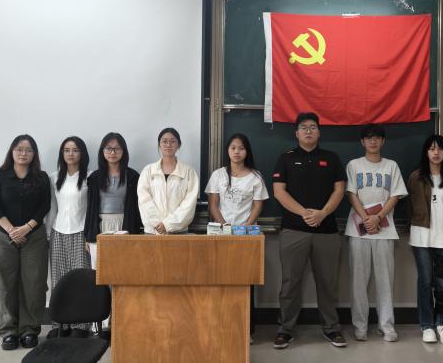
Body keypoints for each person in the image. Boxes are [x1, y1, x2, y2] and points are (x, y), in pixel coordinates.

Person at [272, 112, 347, 349]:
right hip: (293, 230)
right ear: (296, 133)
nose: (308, 131)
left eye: (313, 127)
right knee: (290, 283)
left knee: (327, 283)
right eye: (303, 127)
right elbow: (279, 192)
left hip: (327, 231)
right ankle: (285, 330)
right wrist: (305, 213)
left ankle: (331, 328)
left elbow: (339, 190)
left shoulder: (331, 158)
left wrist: (322, 213)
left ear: (319, 132)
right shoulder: (285, 158)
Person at [345, 124, 407, 342]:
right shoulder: (354, 165)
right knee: (358, 281)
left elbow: (395, 195)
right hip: (358, 229)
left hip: (384, 230)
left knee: (385, 281)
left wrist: (378, 217)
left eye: (377, 138)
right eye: (368, 138)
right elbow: (351, 193)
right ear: (362, 142)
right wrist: (366, 218)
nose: (373, 141)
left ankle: (386, 326)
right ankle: (360, 326)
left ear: (383, 141)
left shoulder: (391, 166)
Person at [0, 135, 50, 350]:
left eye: (28, 150)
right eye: (19, 149)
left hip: (34, 237)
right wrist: (12, 230)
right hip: (4, 237)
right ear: (12, 151)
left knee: (34, 284)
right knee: (4, 284)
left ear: (34, 154)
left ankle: (29, 330)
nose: (23, 153)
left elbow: (44, 206)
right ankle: (8, 331)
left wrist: (26, 228)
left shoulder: (41, 177)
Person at [205, 133, 269, 341]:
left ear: (247, 151)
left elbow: (258, 205)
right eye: (233, 147)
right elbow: (213, 204)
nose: (237, 152)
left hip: (246, 237)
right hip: (221, 236)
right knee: (220, 281)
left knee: (245, 282)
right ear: (227, 151)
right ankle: (220, 326)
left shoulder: (255, 177)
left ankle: (246, 330)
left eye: (241, 148)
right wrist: (225, 226)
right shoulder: (218, 175)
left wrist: (246, 226)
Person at [407, 135, 443, 345]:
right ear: (426, 152)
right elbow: (409, 207)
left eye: (440, 149)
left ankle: (442, 323)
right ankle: (427, 325)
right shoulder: (416, 177)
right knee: (425, 280)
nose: (436, 152)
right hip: (421, 236)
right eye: (432, 148)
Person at [47, 136, 91, 339]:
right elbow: (52, 208)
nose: (70, 154)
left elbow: (91, 209)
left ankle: (81, 325)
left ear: (82, 153)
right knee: (59, 280)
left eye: (75, 150)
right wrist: (49, 234)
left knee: (81, 281)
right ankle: (61, 324)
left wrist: (89, 236)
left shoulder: (90, 177)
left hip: (80, 233)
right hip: (58, 232)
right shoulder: (54, 177)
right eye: (66, 150)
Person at [84, 132, 142, 268]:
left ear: (124, 151)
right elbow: (90, 208)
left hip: (124, 225)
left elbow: (136, 207)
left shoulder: (133, 176)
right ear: (102, 151)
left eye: (117, 148)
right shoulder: (94, 177)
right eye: (108, 148)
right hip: (100, 226)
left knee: (124, 268)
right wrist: (88, 235)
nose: (112, 152)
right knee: (100, 270)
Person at [138, 128, 199, 234]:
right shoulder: (148, 171)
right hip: (153, 231)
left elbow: (189, 203)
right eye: (164, 141)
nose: (168, 145)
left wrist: (168, 225)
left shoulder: (189, 172)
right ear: (159, 145)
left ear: (179, 145)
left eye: (172, 141)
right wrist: (158, 225)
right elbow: (144, 200)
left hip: (178, 231)